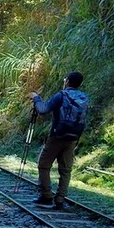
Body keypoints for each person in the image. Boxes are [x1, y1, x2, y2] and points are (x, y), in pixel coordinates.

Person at [29, 71, 89, 210]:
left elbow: (43, 110)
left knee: (43, 165)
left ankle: (46, 196)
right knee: (66, 169)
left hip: (57, 136)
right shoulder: (84, 97)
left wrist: (36, 99)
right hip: (73, 138)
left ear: (67, 81)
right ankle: (60, 199)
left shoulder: (61, 95)